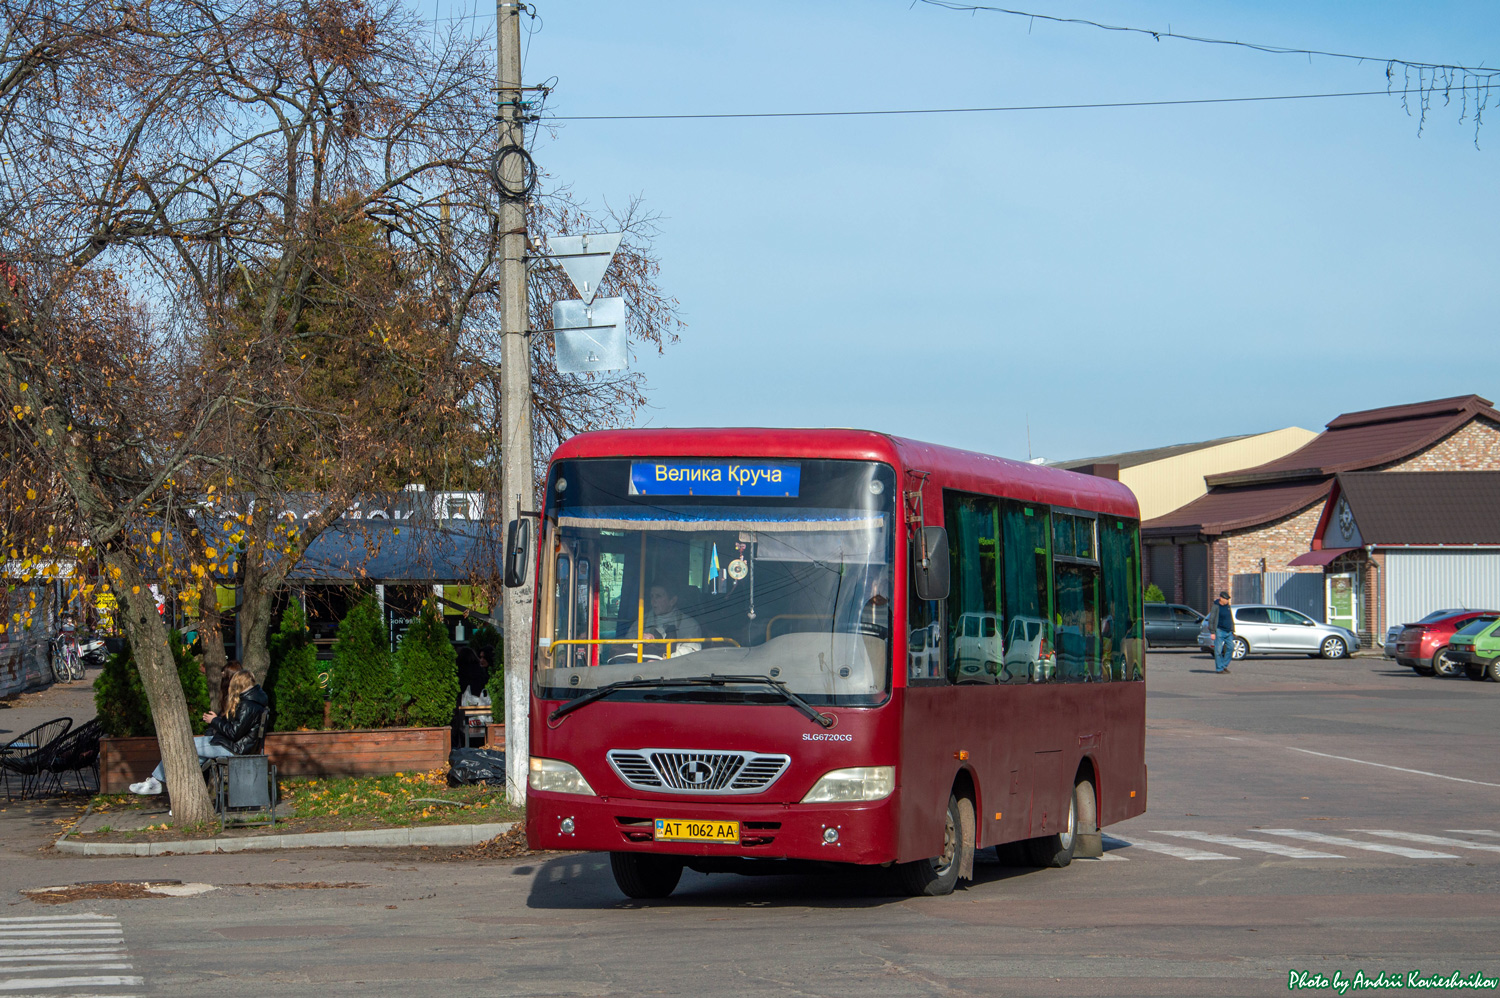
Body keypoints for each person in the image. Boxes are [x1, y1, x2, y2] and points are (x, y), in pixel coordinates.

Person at [129, 670, 270, 795]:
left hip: (233, 748)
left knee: (186, 744)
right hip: (232, 745)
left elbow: (234, 733)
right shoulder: (253, 701)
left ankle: (155, 782)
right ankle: (186, 798)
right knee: (193, 756)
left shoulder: (248, 705)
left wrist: (214, 720)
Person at [644, 583, 703, 656]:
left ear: (672, 601)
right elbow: (628, 648)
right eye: (651, 596)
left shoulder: (690, 625)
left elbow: (691, 653)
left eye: (658, 596)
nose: (653, 601)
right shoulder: (642, 622)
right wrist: (640, 641)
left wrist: (663, 660)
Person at [1211, 591, 1235, 674]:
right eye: (1226, 599)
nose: (1227, 601)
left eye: (1228, 599)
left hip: (1228, 631)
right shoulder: (1216, 606)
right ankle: (1219, 669)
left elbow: (1230, 618)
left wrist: (1232, 629)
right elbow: (1212, 619)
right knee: (1218, 651)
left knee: (1231, 647)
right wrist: (1212, 632)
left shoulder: (1228, 606)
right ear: (1221, 598)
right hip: (1219, 631)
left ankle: (1224, 665)